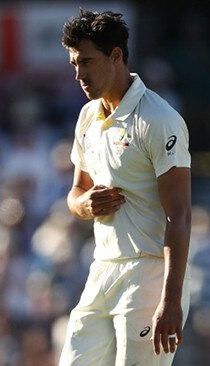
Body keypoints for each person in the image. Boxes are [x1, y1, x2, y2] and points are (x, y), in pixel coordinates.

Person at [59, 9, 191, 365]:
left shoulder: (159, 119)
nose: (79, 74)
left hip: (148, 273)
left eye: (86, 61)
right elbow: (75, 194)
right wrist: (85, 205)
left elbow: (179, 215)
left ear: (116, 56)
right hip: (101, 267)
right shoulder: (87, 116)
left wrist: (172, 298)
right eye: (74, 63)